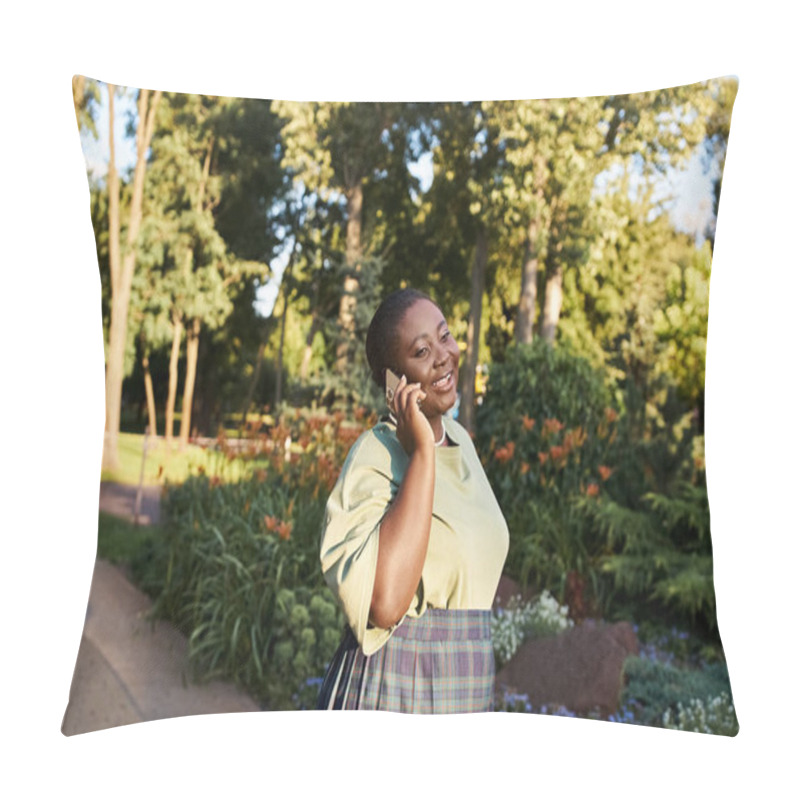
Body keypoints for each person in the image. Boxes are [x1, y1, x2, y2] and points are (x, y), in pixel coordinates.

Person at [316, 288, 509, 713]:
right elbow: (383, 604)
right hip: (396, 690)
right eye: (422, 350)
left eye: (445, 336)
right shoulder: (377, 452)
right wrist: (421, 452)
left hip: (465, 686)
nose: (443, 355)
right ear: (393, 381)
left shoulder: (461, 443)